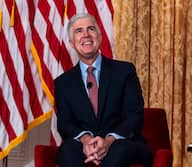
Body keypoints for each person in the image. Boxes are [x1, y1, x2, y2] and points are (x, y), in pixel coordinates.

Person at [54, 13, 153, 167]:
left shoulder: (124, 71)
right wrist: (86, 140)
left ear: (99, 36)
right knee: (67, 150)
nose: (86, 34)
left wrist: (108, 141)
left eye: (91, 29)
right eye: (79, 31)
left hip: (121, 142)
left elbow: (135, 116)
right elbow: (65, 123)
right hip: (83, 145)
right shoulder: (63, 83)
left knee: (121, 149)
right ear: (72, 43)